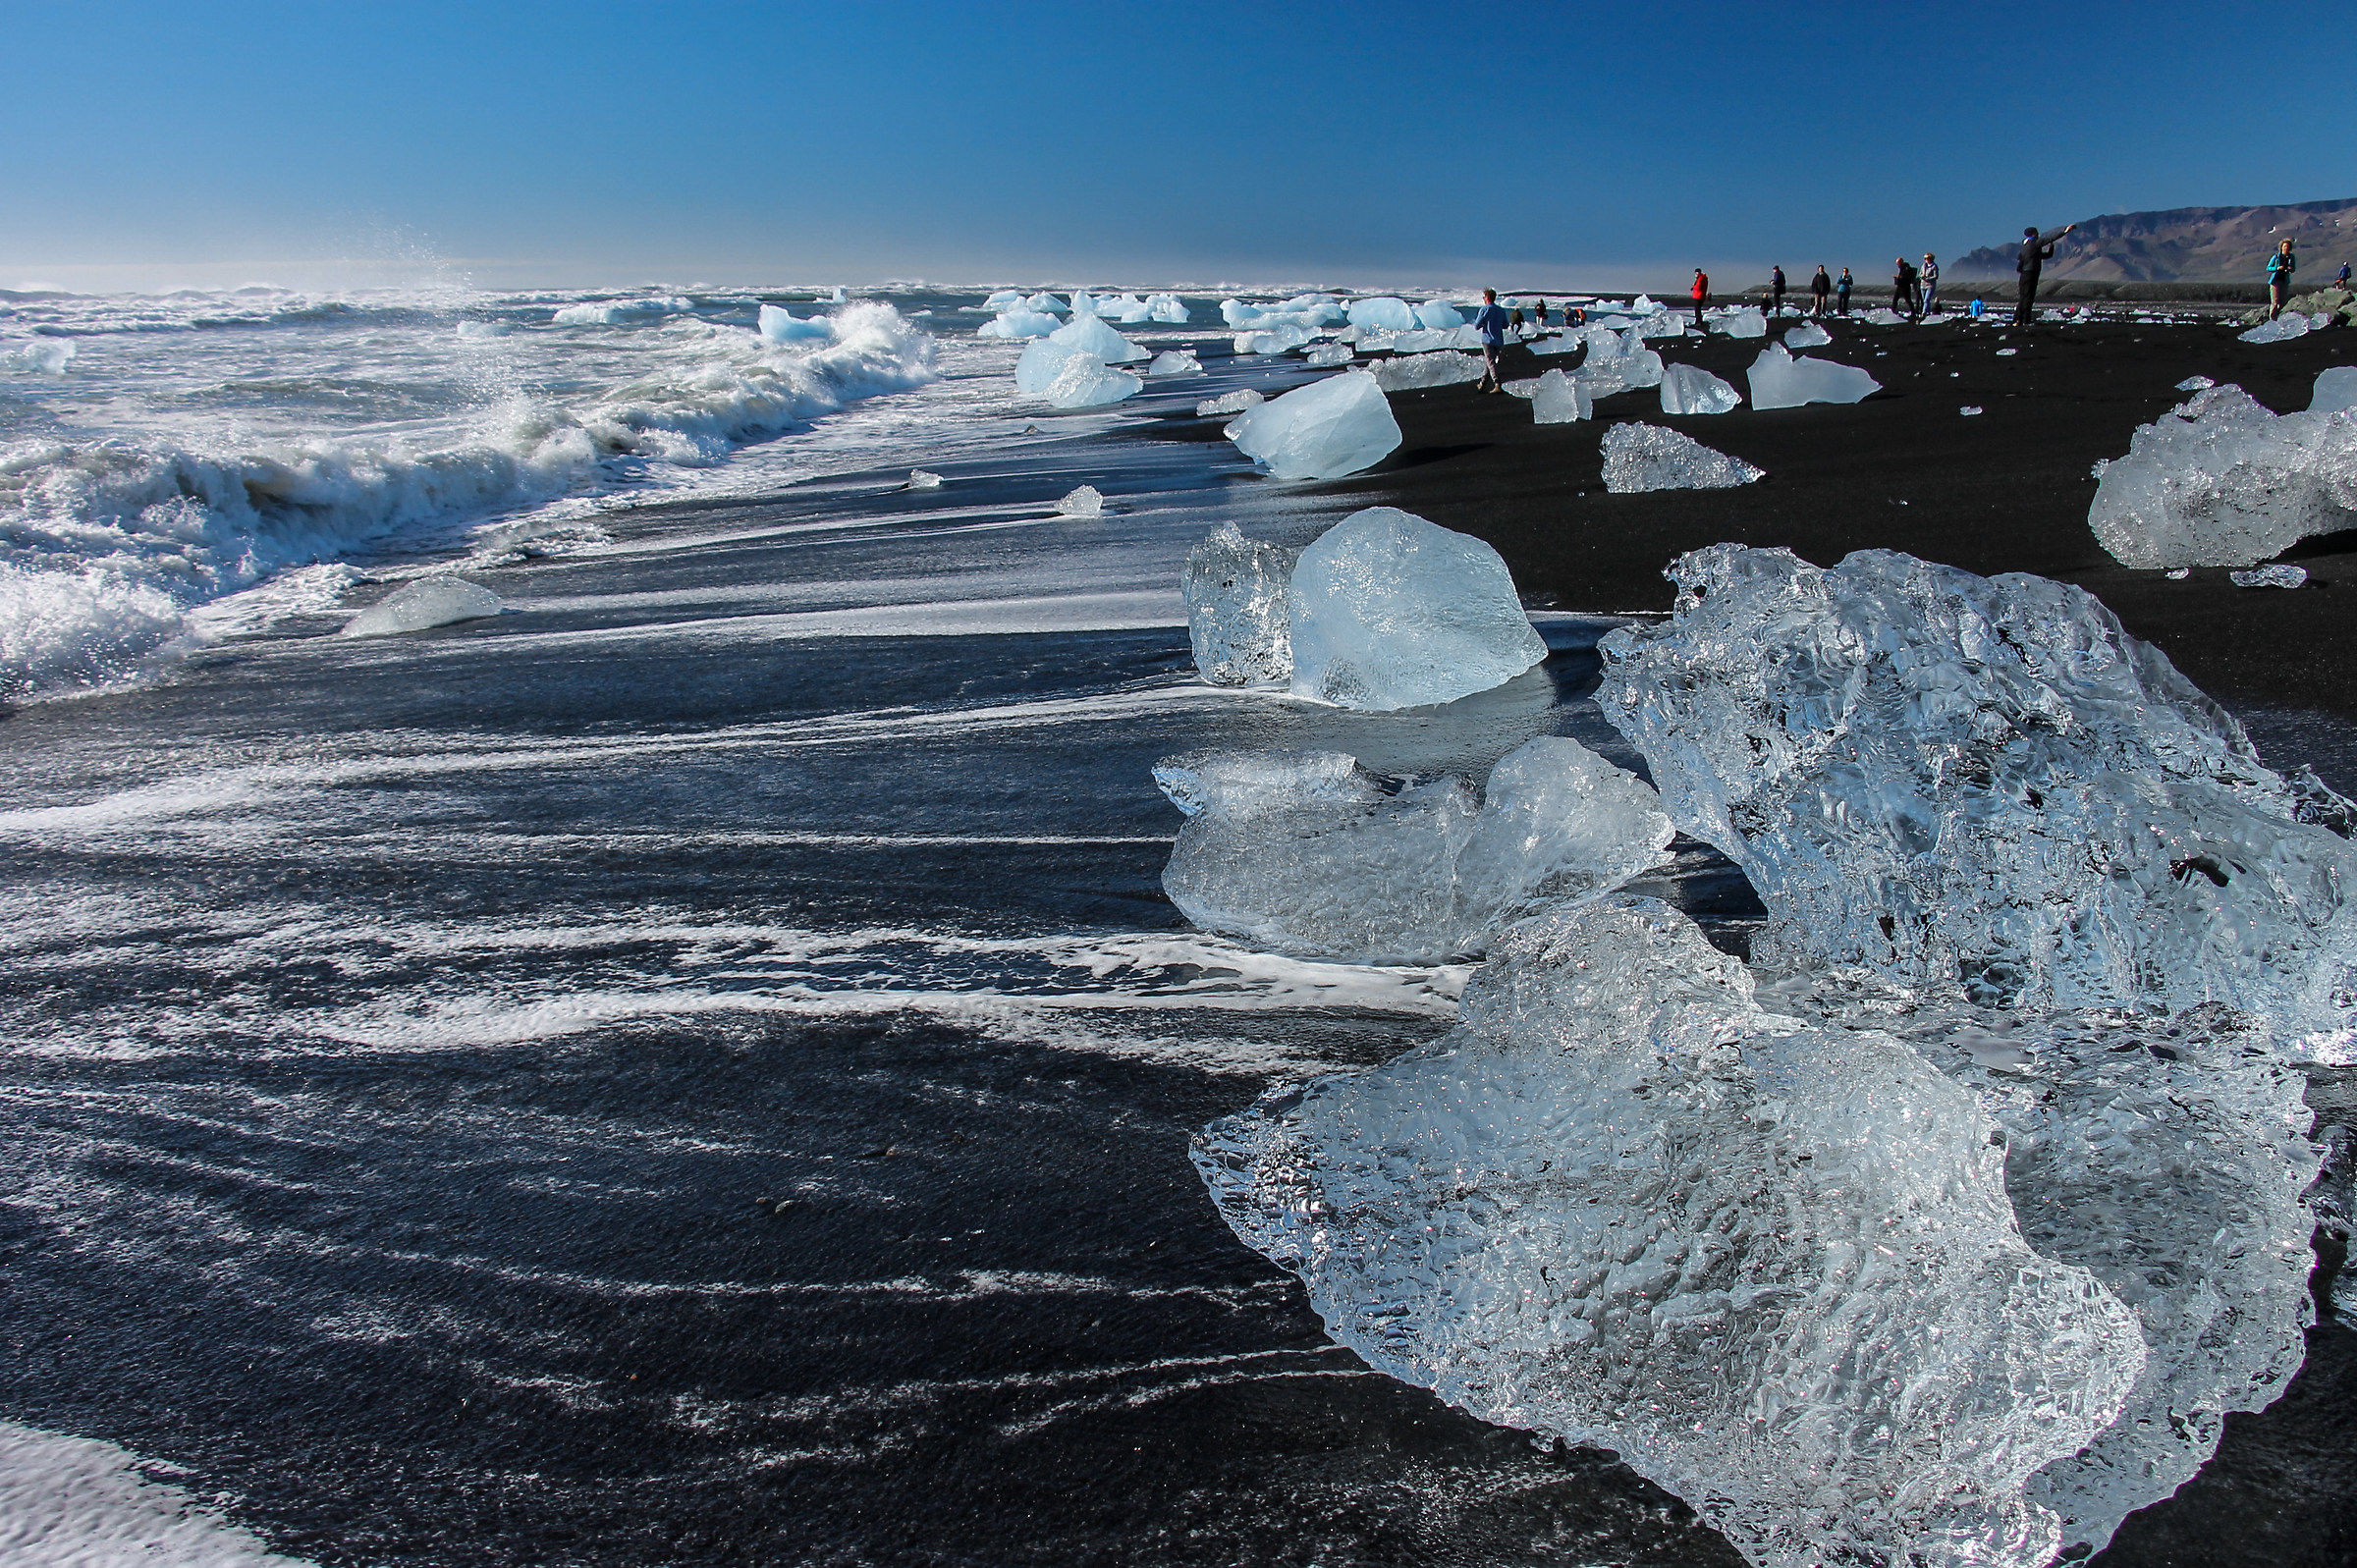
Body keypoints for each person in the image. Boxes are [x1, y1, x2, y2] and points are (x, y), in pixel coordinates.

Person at [2013, 222, 2075, 325]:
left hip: (2024, 274)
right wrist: (2065, 230)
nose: (2038, 234)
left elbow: (2044, 256)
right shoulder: (2035, 243)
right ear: (2034, 234)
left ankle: (2018, 319)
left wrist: (2051, 248)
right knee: (2029, 297)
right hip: (2031, 273)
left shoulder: (2025, 246)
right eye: (2037, 233)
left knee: (2023, 297)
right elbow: (2051, 238)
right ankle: (2025, 320)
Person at [1471, 288, 1510, 392]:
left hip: (1487, 339)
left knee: (1490, 362)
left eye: (1484, 297)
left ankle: (1497, 384)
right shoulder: (1501, 310)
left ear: (1487, 297)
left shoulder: (1485, 309)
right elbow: (1506, 325)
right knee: (1489, 362)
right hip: (1498, 340)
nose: (1483, 299)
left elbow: (1477, 326)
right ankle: (1482, 384)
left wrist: (1486, 323)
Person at [2267, 240, 2297, 320]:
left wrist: (2290, 269)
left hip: (2284, 281)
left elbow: (2293, 269)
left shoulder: (2291, 257)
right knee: (2275, 302)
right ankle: (2272, 319)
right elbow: (2268, 268)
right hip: (2275, 281)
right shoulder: (2276, 257)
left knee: (2283, 302)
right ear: (2281, 247)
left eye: (2287, 247)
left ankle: (2280, 318)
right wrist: (2277, 268)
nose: (2286, 248)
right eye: (2284, 246)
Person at [1919, 252, 1941, 317]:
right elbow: (1920, 273)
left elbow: (1936, 276)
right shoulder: (1923, 265)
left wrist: (1927, 278)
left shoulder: (1934, 266)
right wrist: (1921, 276)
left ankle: (1924, 312)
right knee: (1924, 300)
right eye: (1925, 258)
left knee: (1927, 299)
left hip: (1930, 285)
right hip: (1923, 285)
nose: (1926, 260)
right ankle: (1927, 312)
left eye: (1927, 258)